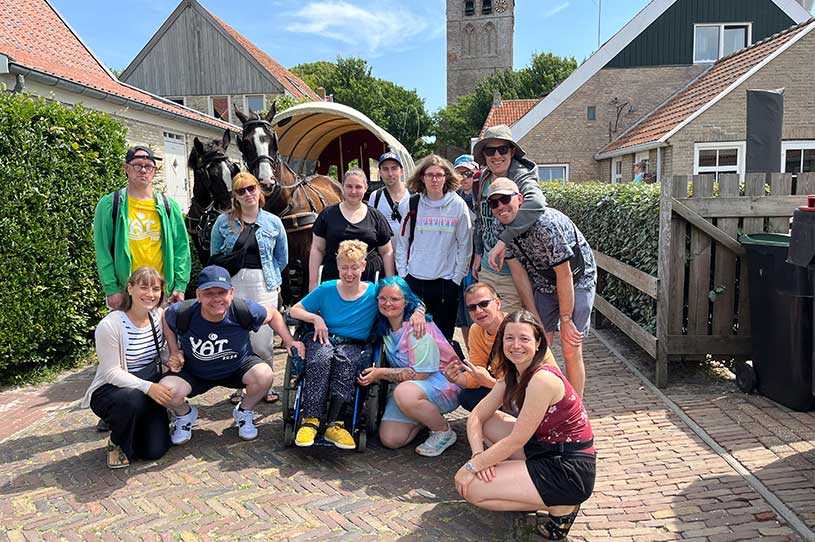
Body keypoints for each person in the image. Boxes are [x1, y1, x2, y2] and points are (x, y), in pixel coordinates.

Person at [454, 310, 595, 541]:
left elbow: (516, 440)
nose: (516, 345)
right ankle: (527, 487)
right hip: (544, 447)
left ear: (538, 343)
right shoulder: (512, 372)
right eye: (509, 338)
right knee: (490, 422)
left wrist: (471, 467)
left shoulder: (542, 379)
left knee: (472, 488)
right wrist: (478, 455)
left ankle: (561, 505)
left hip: (568, 468)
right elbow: (477, 416)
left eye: (524, 338)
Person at [290, 240, 427, 449]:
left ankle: (336, 424)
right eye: (344, 267)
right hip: (324, 338)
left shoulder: (374, 292)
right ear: (337, 266)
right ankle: (310, 421)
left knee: (346, 362)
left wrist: (419, 312)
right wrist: (315, 318)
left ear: (363, 266)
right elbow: (295, 310)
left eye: (354, 267)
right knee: (321, 359)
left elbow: (410, 299)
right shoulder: (326, 288)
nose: (349, 273)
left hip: (354, 344)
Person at [160, 265, 305, 443]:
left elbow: (274, 315)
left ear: (231, 293)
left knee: (265, 375)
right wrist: (174, 351)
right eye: (209, 293)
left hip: (237, 368)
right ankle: (185, 415)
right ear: (198, 295)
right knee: (165, 390)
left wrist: (289, 341)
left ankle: (244, 411)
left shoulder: (243, 310)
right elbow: (165, 316)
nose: (216, 299)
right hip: (194, 372)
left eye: (221, 292)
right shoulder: (184, 312)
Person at [489, 178, 597, 398]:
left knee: (570, 344)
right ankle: (541, 400)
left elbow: (564, 274)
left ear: (520, 199)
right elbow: (518, 273)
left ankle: (575, 408)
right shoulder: (499, 227)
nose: (501, 206)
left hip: (577, 278)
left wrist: (565, 319)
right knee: (537, 344)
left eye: (505, 199)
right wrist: (533, 314)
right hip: (543, 280)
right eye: (494, 203)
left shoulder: (546, 224)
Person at [357, 277, 461, 457]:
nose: (388, 303)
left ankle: (443, 431)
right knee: (390, 439)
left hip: (443, 382)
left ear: (406, 302)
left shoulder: (417, 329)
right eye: (383, 298)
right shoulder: (385, 325)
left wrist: (380, 373)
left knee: (403, 393)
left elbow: (420, 375)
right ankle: (424, 416)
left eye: (395, 299)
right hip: (412, 387)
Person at [81, 267, 173, 469]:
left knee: (154, 451)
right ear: (130, 288)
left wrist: (172, 360)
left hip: (146, 386)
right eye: (144, 287)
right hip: (113, 391)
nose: (150, 294)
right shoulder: (110, 325)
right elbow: (111, 373)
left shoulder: (158, 316)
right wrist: (149, 387)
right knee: (133, 399)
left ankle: (135, 431)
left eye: (155, 289)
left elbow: (161, 354)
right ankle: (117, 441)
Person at [210, 172, 288, 405]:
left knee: (262, 339)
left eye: (251, 188)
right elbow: (215, 255)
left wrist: (269, 277)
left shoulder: (273, 222)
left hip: (264, 284)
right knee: (236, 336)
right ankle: (240, 385)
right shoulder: (223, 222)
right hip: (234, 284)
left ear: (258, 190)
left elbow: (281, 257)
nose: (247, 194)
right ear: (235, 196)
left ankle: (266, 384)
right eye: (241, 191)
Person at [94, 146, 191, 309]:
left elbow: (181, 248)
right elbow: (103, 250)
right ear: (126, 168)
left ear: (155, 170)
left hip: (161, 293)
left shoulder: (169, 206)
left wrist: (180, 286)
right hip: (125, 293)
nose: (143, 170)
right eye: (137, 165)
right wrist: (111, 289)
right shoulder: (110, 205)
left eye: (148, 166)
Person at [394, 155, 472, 340]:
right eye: (430, 175)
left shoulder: (458, 205)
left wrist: (456, 279)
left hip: (446, 282)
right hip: (414, 280)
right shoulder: (411, 204)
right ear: (422, 177)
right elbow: (402, 243)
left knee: (443, 340)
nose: (434, 179)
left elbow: (465, 245)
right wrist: (404, 275)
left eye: (439, 175)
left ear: (446, 177)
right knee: (415, 339)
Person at [444, 283, 557, 411]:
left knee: (501, 405)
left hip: (536, 390)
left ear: (497, 303)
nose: (478, 311)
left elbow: (530, 383)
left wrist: (490, 383)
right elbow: (478, 372)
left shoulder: (516, 327)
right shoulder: (476, 330)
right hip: (506, 385)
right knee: (467, 397)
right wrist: (458, 379)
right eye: (472, 307)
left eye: (484, 304)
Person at [471, 125, 546, 313]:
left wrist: (504, 239)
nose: (497, 155)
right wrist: (478, 252)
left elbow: (537, 203)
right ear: (484, 155)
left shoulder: (521, 176)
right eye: (490, 151)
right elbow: (481, 219)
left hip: (515, 271)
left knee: (509, 324)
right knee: (486, 322)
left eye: (502, 149)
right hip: (487, 268)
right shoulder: (481, 179)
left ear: (512, 152)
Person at [309, 168, 395, 290]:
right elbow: (317, 249)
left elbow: (386, 252)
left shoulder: (376, 217)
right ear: (342, 187)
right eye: (349, 186)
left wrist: (390, 283)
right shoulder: (327, 215)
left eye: (358, 187)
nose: (353, 191)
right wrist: (313, 282)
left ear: (365, 188)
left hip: (369, 280)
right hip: (334, 278)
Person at [454, 154, 480, 343]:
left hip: (478, 263)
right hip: (460, 263)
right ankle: (471, 352)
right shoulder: (454, 201)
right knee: (463, 312)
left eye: (468, 173)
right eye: (459, 174)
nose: (464, 178)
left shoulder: (485, 198)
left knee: (478, 308)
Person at [369, 151, 410, 236]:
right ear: (380, 173)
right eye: (385, 169)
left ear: (401, 171)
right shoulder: (375, 197)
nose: (390, 174)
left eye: (394, 168)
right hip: (385, 245)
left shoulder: (413, 194)